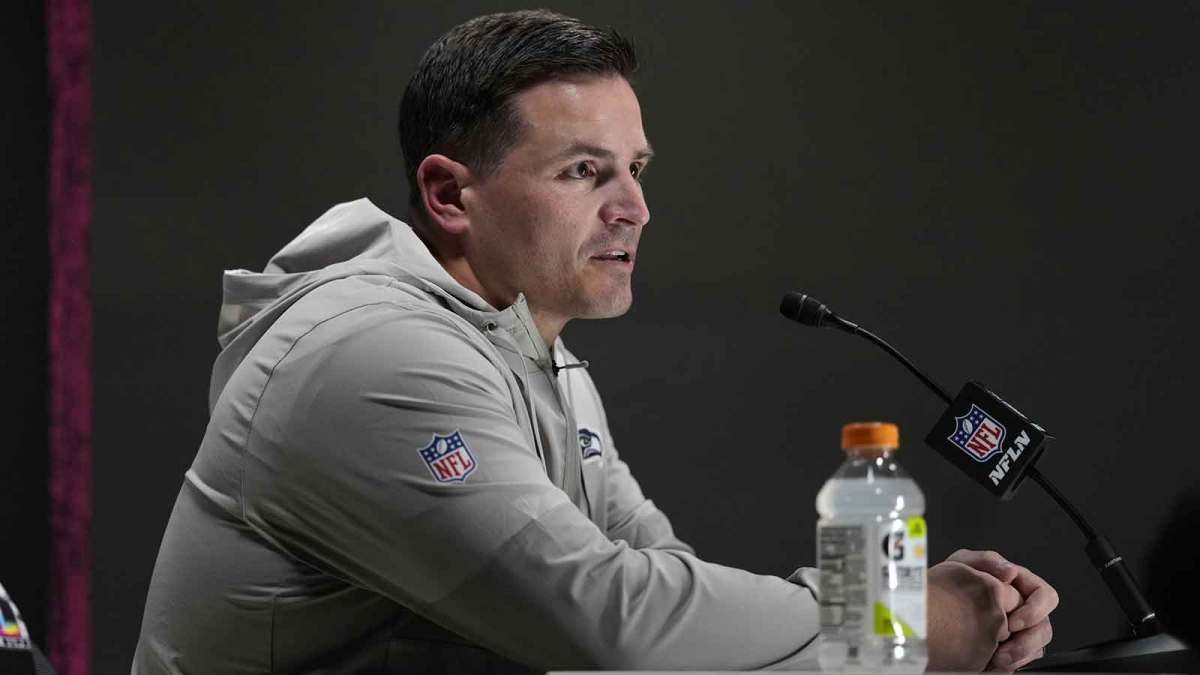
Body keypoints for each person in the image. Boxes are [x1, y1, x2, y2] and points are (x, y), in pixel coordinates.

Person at [133, 10, 1057, 673]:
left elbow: (674, 619)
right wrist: (895, 622)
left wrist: (898, 633)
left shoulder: (544, 358)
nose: (635, 209)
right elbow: (613, 627)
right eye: (584, 171)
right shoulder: (374, 355)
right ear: (450, 195)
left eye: (635, 170)